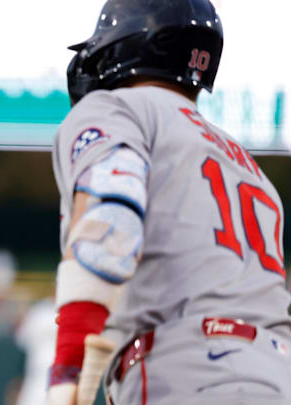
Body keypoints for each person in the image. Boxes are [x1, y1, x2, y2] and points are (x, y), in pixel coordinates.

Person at [46, 1, 291, 404]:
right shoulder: (250, 168)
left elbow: (111, 224)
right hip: (276, 373)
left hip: (187, 369)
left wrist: (67, 371)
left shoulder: (116, 108)